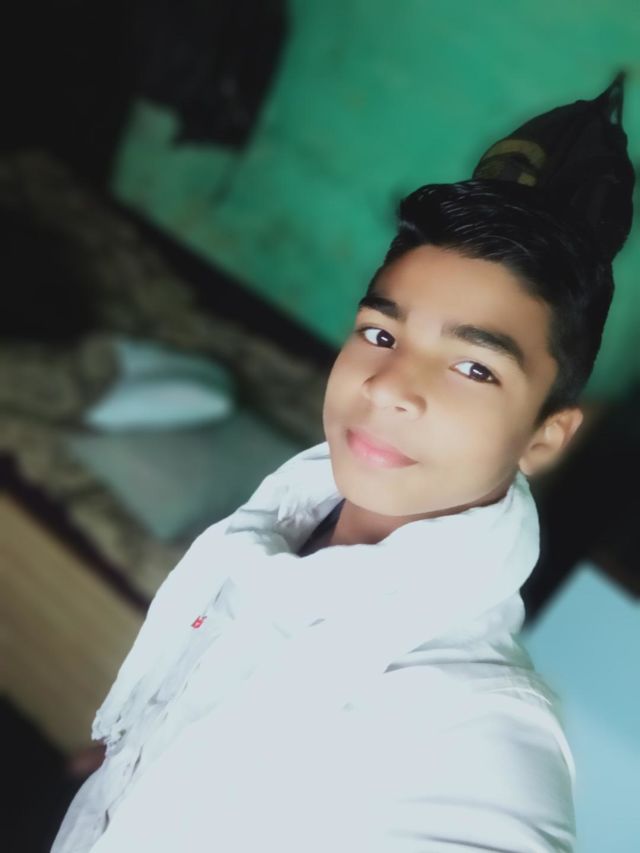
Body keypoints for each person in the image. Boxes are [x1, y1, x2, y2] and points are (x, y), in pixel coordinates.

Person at [52, 75, 634, 852]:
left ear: (544, 436)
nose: (388, 387)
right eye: (382, 334)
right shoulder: (287, 518)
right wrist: (144, 755)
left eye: (474, 367)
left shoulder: (474, 738)